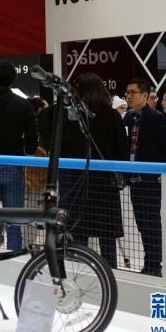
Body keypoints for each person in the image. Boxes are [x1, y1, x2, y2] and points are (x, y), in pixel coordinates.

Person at [42, 73, 128, 268]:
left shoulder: (71, 116)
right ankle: (110, 271)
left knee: (79, 231)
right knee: (107, 235)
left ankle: (79, 269)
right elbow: (122, 149)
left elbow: (57, 143)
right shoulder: (112, 115)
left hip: (77, 182)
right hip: (105, 183)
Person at [0, 60, 38, 251]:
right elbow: (32, 143)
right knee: (14, 222)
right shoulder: (24, 105)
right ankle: (14, 258)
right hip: (14, 165)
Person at [124, 78, 166, 277]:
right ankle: (150, 262)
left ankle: (154, 264)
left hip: (149, 180)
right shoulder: (129, 117)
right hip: (134, 179)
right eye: (127, 92)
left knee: (151, 223)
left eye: (133, 92)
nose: (129, 96)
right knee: (141, 223)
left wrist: (164, 172)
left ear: (145, 95)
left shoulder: (155, 118)